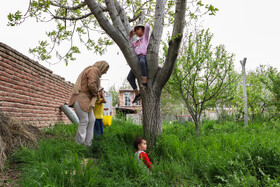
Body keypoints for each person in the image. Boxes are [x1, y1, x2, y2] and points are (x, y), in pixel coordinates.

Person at [68, 61, 109, 146]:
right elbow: (91, 84)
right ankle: (79, 144)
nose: (106, 72)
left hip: (87, 100)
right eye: (105, 69)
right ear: (102, 66)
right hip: (81, 98)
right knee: (84, 120)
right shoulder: (93, 70)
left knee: (91, 120)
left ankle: (88, 144)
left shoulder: (95, 72)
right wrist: (96, 93)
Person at [127, 23, 150, 103]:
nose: (136, 31)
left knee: (142, 62)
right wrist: (130, 36)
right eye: (135, 30)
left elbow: (147, 27)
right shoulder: (136, 41)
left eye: (138, 29)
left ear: (143, 30)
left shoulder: (145, 38)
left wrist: (143, 25)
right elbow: (128, 45)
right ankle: (137, 94)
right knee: (129, 77)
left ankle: (145, 83)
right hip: (136, 59)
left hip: (143, 56)